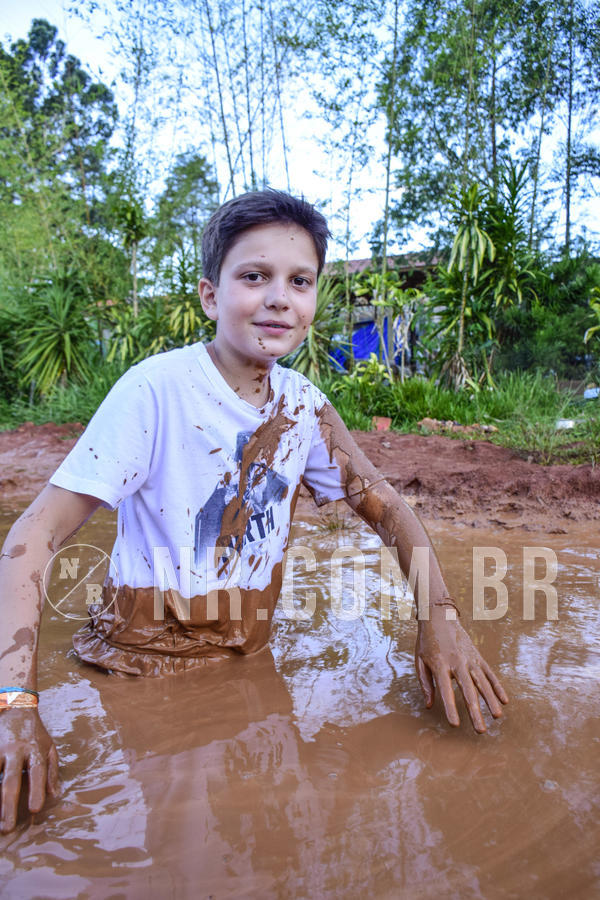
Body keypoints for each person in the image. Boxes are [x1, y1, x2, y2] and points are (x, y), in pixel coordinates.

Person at [0, 189, 508, 833]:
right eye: (254, 276)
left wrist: (440, 617)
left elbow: (388, 510)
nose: (279, 298)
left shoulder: (303, 407)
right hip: (134, 666)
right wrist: (15, 703)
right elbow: (35, 532)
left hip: (246, 658)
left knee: (262, 832)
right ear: (210, 296)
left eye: (300, 281)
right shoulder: (156, 391)